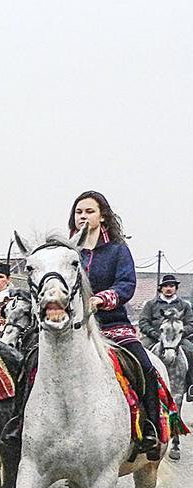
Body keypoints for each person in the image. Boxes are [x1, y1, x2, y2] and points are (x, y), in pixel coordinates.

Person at [71, 190, 162, 458]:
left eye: (89, 211)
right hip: (72, 328)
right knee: (31, 364)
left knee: (145, 368)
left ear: (103, 216)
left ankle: (151, 430)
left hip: (111, 326)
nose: (83, 217)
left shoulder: (117, 250)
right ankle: (21, 426)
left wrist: (101, 299)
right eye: (79, 212)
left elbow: (126, 285)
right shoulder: (67, 251)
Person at [138, 275, 193, 380]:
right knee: (140, 350)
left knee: (191, 350)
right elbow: (143, 322)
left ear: (176, 288)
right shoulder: (151, 304)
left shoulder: (184, 305)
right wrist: (153, 333)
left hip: (178, 338)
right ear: (161, 288)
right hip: (155, 337)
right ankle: (140, 382)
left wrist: (180, 333)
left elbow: (191, 323)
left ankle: (190, 384)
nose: (168, 288)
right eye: (166, 286)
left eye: (172, 286)